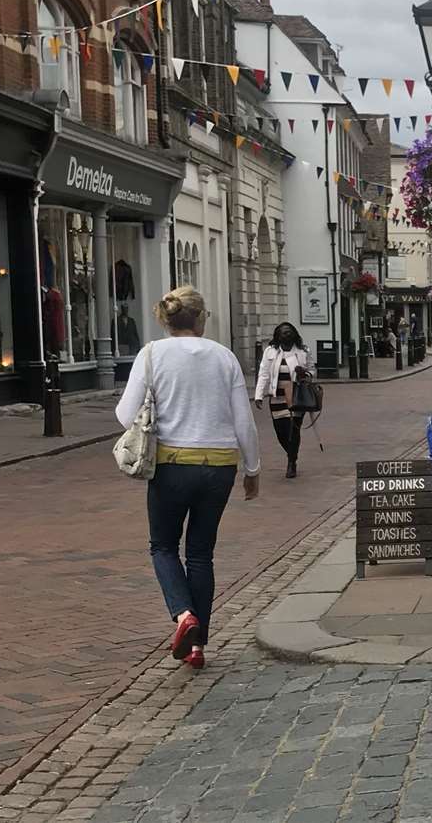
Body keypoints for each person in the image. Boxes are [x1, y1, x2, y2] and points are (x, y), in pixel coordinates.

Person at [116, 287, 260, 672]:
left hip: (171, 464)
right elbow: (243, 420)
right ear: (201, 319)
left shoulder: (150, 355)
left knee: (163, 546)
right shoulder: (224, 357)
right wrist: (252, 470)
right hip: (220, 466)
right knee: (200, 552)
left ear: (166, 319)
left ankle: (183, 617)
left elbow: (124, 414)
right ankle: (197, 647)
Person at [255, 322, 316, 479]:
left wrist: (305, 373)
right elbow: (263, 374)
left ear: (294, 334)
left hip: (296, 395)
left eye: (289, 332)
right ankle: (291, 452)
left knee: (293, 429)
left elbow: (312, 370)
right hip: (277, 396)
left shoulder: (303, 351)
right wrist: (259, 395)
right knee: (281, 431)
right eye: (283, 332)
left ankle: (291, 462)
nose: (286, 335)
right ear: (278, 336)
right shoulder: (270, 351)